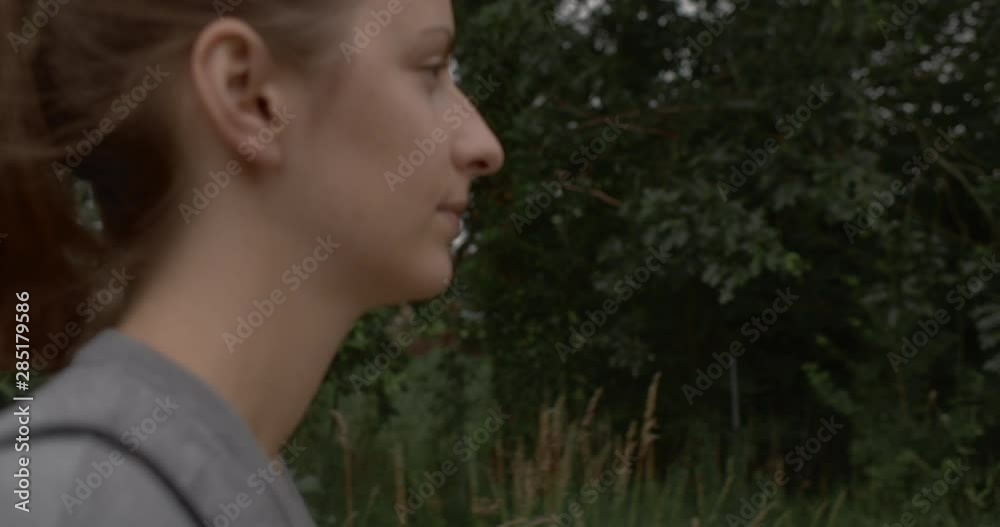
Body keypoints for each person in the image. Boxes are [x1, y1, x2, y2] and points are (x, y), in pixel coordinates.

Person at [0, 0, 504, 524]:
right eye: (430, 71)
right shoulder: (78, 499)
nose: (484, 146)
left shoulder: (198, 476)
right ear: (249, 95)